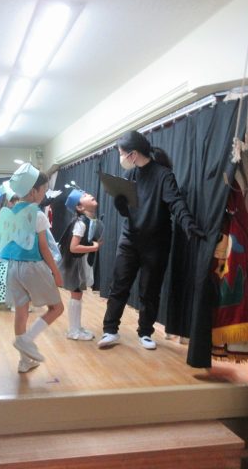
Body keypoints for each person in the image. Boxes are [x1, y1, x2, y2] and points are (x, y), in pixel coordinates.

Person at [98, 131, 203, 350]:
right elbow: (128, 211)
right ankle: (110, 330)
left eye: (122, 153)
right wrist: (120, 203)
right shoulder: (130, 175)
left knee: (150, 291)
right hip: (129, 239)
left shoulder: (163, 175)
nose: (121, 158)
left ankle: (145, 333)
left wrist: (189, 224)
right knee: (119, 285)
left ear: (133, 154)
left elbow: (176, 203)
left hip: (156, 243)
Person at [0, 163, 64, 373]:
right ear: (34, 191)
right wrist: (56, 272)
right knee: (57, 308)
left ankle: (25, 361)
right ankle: (27, 340)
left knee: (21, 312)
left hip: (13, 268)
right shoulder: (38, 214)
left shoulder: (10, 211)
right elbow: (44, 248)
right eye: (44, 189)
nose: (44, 194)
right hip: (32, 266)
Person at [58, 188, 103, 341]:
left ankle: (76, 327)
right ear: (79, 207)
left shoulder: (87, 221)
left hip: (79, 262)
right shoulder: (80, 224)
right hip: (75, 264)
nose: (89, 194)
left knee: (77, 294)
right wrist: (94, 247)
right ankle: (73, 330)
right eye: (84, 195)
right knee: (76, 294)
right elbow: (73, 247)